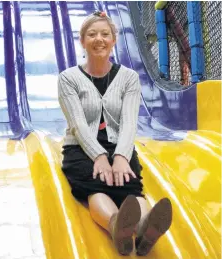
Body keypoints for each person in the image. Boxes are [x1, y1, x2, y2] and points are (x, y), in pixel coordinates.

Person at [58, 11, 172, 256]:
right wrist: (99, 157)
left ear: (113, 40)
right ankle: (116, 224)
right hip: (80, 146)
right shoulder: (68, 78)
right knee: (96, 185)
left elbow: (130, 121)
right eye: (92, 34)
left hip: (119, 143)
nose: (99, 39)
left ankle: (144, 228)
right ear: (82, 41)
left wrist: (121, 156)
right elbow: (77, 123)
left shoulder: (129, 78)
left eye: (105, 34)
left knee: (130, 186)